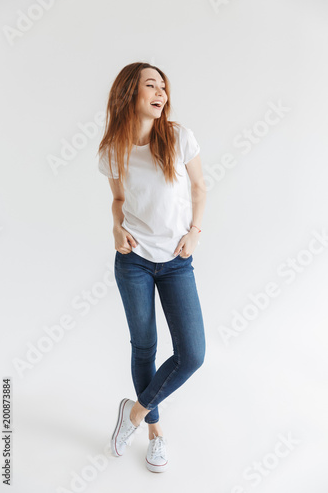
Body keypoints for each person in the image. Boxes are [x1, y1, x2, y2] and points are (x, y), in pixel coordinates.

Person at [97, 62, 207, 473]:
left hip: (177, 262)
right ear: (131, 94)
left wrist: (194, 231)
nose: (160, 92)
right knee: (144, 347)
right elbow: (119, 201)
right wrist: (115, 228)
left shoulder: (178, 137)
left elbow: (200, 187)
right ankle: (155, 434)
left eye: (163, 86)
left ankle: (134, 412)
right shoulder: (114, 150)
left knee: (192, 354)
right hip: (134, 261)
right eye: (151, 85)